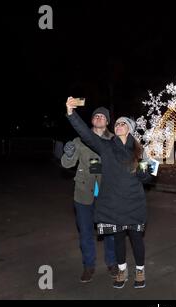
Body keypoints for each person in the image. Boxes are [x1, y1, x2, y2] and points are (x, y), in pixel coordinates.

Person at [65, 97, 152, 289]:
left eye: (123, 123)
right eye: (117, 123)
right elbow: (86, 135)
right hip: (113, 203)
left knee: (136, 239)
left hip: (134, 203)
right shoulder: (106, 148)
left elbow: (147, 178)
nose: (119, 125)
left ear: (129, 129)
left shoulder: (139, 152)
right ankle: (121, 270)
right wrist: (71, 113)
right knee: (119, 239)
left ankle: (139, 270)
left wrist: (145, 172)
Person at [61, 106, 117, 283]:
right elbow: (66, 164)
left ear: (107, 122)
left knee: (110, 232)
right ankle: (89, 266)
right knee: (85, 232)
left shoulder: (115, 141)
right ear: (92, 120)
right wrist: (68, 153)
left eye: (103, 116)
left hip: (107, 194)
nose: (99, 117)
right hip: (84, 194)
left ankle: (112, 262)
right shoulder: (80, 140)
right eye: (96, 115)